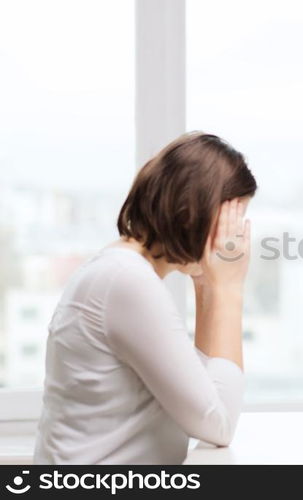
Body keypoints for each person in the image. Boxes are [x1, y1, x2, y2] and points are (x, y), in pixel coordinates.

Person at [33, 132, 256, 464]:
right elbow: (218, 424)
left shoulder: (122, 272)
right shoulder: (127, 281)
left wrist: (208, 284)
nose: (236, 237)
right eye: (230, 224)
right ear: (197, 212)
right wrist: (228, 289)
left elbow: (203, 392)